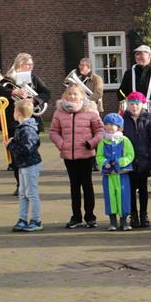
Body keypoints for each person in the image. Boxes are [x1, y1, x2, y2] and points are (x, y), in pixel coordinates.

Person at [0, 53, 50, 195]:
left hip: (31, 120)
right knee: (15, 155)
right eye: (28, 64)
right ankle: (20, 185)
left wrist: (34, 101)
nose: (30, 67)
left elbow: (46, 93)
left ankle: (30, 184)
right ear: (19, 64)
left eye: (31, 64)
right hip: (13, 120)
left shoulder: (34, 78)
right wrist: (13, 91)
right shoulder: (9, 78)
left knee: (31, 152)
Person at [117, 44, 151, 195]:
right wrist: (124, 99)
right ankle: (135, 181)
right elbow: (121, 91)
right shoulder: (129, 73)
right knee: (133, 147)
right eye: (137, 54)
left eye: (143, 54)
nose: (140, 57)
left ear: (149, 56)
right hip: (133, 117)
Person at [49, 84, 104, 229]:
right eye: (70, 93)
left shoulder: (91, 111)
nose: (72, 96)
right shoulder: (59, 112)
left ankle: (90, 217)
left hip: (86, 155)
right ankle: (76, 217)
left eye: (75, 94)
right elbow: (53, 132)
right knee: (74, 187)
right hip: (69, 156)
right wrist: (61, 144)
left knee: (87, 186)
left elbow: (100, 131)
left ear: (82, 96)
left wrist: (91, 143)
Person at [122, 92, 151, 228]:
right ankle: (134, 215)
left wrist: (150, 153)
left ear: (142, 105)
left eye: (137, 104)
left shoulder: (148, 119)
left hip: (144, 159)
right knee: (131, 189)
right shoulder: (123, 119)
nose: (134, 107)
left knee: (143, 189)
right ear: (128, 105)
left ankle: (144, 214)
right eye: (131, 104)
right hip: (128, 160)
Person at [6, 99, 43, 232]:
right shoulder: (22, 128)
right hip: (23, 165)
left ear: (19, 113)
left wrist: (11, 145)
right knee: (22, 193)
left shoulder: (27, 129)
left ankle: (36, 220)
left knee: (31, 193)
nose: (13, 113)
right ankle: (22, 219)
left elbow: (27, 148)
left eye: (14, 111)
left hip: (30, 165)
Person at [97, 113, 134, 231]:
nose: (109, 127)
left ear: (119, 127)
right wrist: (104, 162)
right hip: (108, 176)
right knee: (110, 197)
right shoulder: (103, 142)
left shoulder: (124, 140)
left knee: (123, 196)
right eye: (107, 124)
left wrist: (119, 162)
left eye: (112, 124)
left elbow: (130, 155)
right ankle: (112, 222)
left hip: (122, 175)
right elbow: (99, 156)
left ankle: (124, 221)